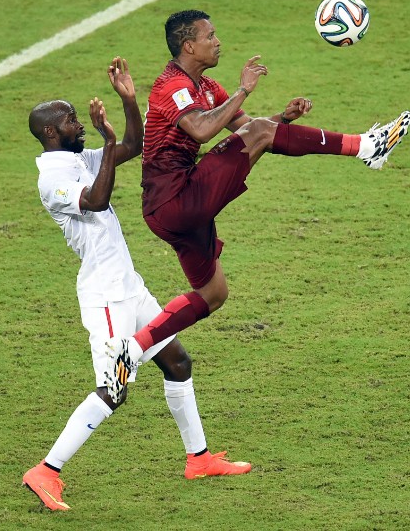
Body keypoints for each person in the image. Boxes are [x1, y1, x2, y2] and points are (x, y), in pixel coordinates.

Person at [102, 10, 410, 398]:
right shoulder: (171, 87)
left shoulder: (206, 85)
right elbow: (202, 128)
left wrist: (283, 117)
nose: (218, 41)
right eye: (210, 35)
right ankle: (368, 147)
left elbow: (248, 128)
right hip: (176, 198)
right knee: (263, 133)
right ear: (189, 45)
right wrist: (244, 90)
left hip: (172, 207)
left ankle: (131, 349)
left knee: (213, 293)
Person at [22, 57, 249, 512]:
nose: (76, 123)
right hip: (105, 296)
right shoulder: (52, 179)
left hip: (129, 285)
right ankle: (46, 471)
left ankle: (199, 459)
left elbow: (131, 144)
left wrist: (128, 101)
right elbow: (97, 198)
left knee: (178, 363)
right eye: (69, 120)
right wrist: (105, 147)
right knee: (115, 389)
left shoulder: (74, 157)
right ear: (51, 133)